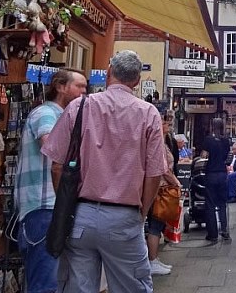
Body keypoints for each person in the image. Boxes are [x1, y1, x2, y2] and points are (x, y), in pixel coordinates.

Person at [42, 50, 168, 293]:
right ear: (137, 81)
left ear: (109, 73)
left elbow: (57, 165)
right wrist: (142, 211)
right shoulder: (148, 113)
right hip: (124, 216)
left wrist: (66, 205)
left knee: (78, 287)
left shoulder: (79, 107)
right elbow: (154, 173)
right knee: (132, 287)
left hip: (81, 215)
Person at [15, 69, 87, 293]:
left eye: (86, 87)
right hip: (44, 205)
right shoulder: (46, 113)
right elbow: (51, 146)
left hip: (52, 206)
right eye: (79, 87)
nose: (85, 93)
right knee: (45, 283)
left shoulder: (65, 116)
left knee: (55, 279)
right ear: (60, 87)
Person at [146, 114, 181, 276]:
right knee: (156, 224)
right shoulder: (158, 142)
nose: (169, 126)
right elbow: (164, 168)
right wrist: (176, 182)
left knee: (157, 224)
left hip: (158, 187)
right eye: (165, 123)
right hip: (160, 188)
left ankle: (153, 259)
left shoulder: (163, 141)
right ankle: (152, 261)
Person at [201, 118, 231, 242]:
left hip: (211, 173)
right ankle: (224, 230)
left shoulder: (208, 140)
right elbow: (227, 156)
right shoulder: (226, 140)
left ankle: (212, 234)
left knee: (210, 204)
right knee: (222, 203)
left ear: (212, 126)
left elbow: (204, 156)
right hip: (222, 173)